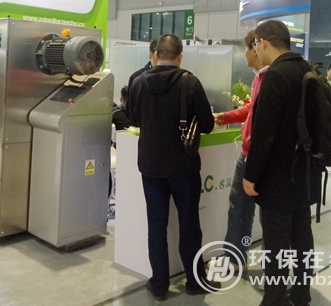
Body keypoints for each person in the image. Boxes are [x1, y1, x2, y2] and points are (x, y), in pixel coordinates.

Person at [127, 34, 215, 301]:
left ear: (156, 55)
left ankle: (159, 284)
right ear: (180, 56)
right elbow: (208, 125)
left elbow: (133, 118)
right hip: (183, 166)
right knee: (189, 223)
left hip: (150, 166)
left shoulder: (138, 82)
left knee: (156, 226)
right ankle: (195, 281)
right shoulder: (190, 82)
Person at [243, 20, 315, 306]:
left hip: (278, 177)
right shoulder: (306, 69)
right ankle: (301, 294)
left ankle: (274, 300)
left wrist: (251, 174)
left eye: (256, 44)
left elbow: (264, 135)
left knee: (276, 243)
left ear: (263, 43)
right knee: (302, 237)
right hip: (305, 171)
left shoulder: (275, 76)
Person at [214, 30, 268, 267]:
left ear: (256, 49)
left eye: (246, 48)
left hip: (256, 156)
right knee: (240, 209)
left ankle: (270, 267)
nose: (245, 53)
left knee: (251, 211)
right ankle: (235, 257)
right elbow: (251, 109)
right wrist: (225, 117)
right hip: (250, 154)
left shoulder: (271, 79)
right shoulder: (258, 77)